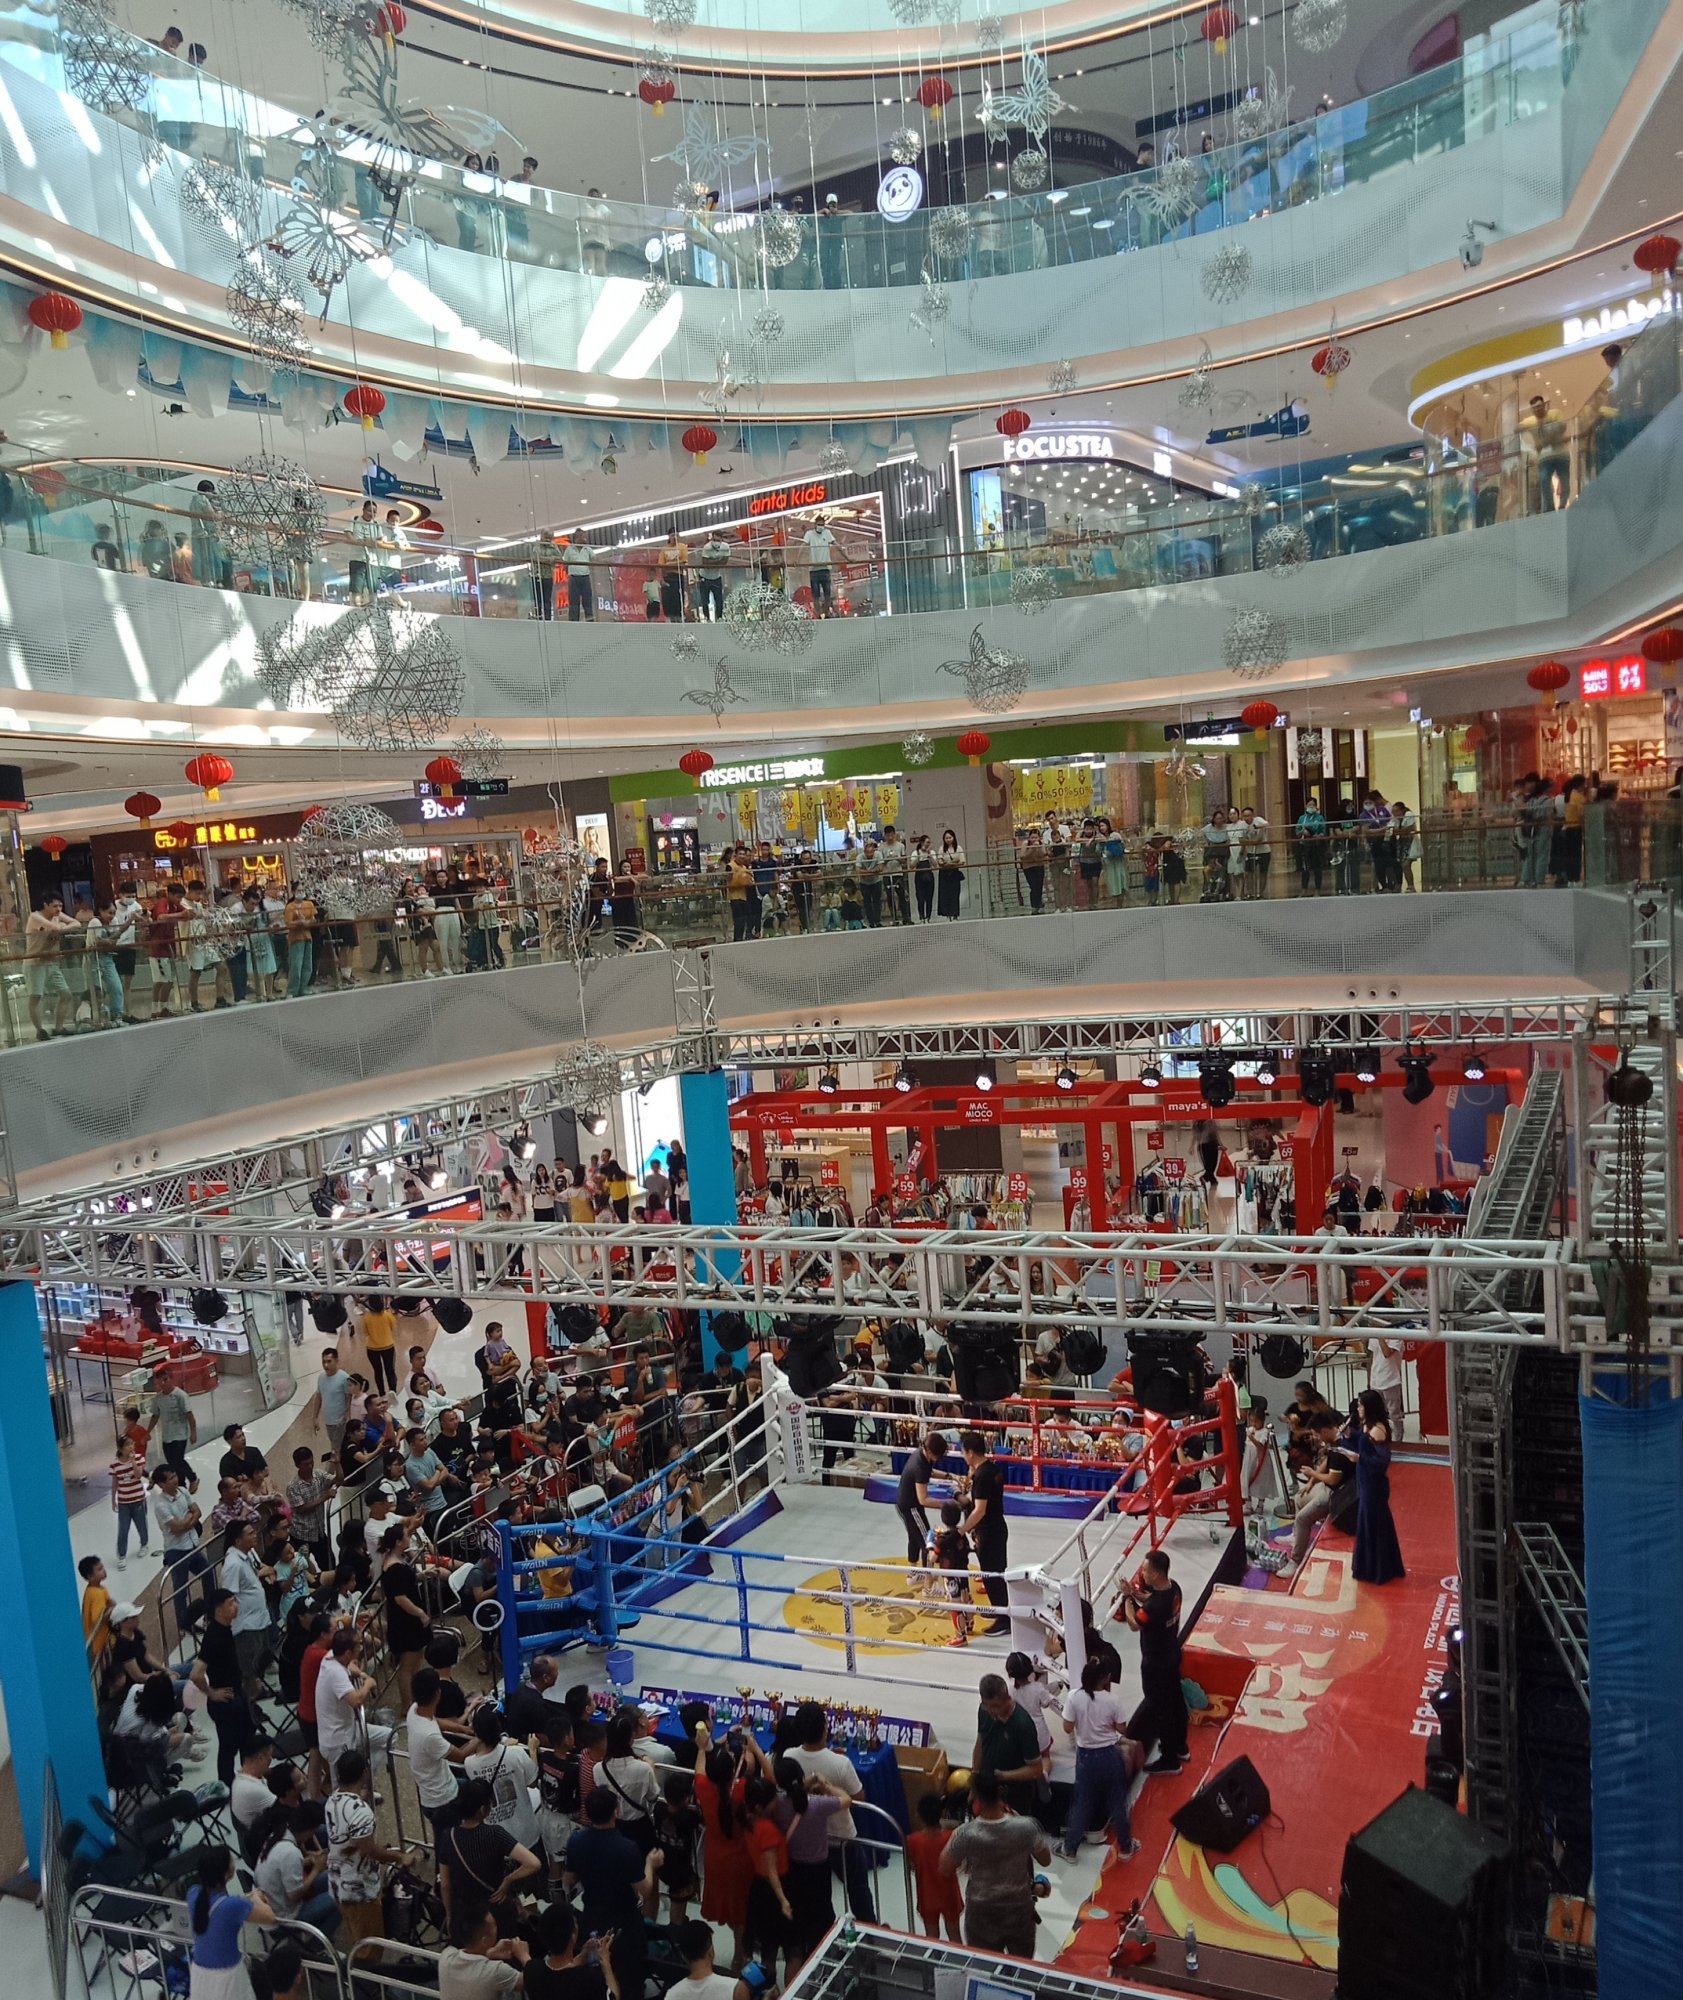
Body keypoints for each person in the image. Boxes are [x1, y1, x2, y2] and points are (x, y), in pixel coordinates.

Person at [940, 1767, 1051, 1959]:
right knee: (1021, 1965)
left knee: (986, 1966)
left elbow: (944, 1867)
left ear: (976, 1798)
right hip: (1019, 1910)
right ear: (1000, 1794)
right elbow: (1046, 1860)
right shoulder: (1026, 1826)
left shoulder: (966, 1833)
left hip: (981, 1913)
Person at [565, 1789, 661, 2000]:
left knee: (595, 1979)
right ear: (616, 1811)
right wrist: (650, 1864)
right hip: (625, 1924)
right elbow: (645, 1889)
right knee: (630, 1981)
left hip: (591, 1919)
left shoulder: (576, 1841)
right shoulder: (627, 1848)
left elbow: (569, 1879)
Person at [782, 1699, 872, 1922]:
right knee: (858, 1889)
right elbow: (858, 1797)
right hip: (841, 1837)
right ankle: (870, 1929)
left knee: (816, 1893)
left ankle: (820, 1931)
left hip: (807, 1839)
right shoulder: (840, 1763)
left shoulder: (789, 1756)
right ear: (825, 1729)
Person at [326, 1748, 415, 1946]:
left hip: (337, 1882)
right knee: (370, 1946)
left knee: (357, 1936)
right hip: (359, 1890)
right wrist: (400, 1857)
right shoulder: (361, 1813)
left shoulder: (332, 1800)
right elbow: (370, 1850)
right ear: (364, 1773)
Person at [1056, 1658, 1140, 1865]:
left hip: (1085, 1758)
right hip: (1109, 1756)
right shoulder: (1112, 1700)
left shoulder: (1074, 1697)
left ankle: (1070, 1848)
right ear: (1106, 1678)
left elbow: (1067, 1727)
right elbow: (1122, 1729)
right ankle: (1126, 1847)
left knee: (1082, 1804)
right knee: (1117, 1802)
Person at [1122, 1549, 1187, 1772]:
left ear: (1157, 1574)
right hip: (1171, 1653)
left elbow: (1134, 1623)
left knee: (1161, 1709)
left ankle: (1170, 1760)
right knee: (1176, 1701)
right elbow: (1151, 1599)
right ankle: (1180, 1746)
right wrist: (1135, 1593)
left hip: (1156, 1663)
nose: (1142, 1573)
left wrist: (1127, 1598)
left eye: (1145, 1571)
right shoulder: (1174, 1588)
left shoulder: (1154, 1607)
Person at [187, 1843, 275, 2000]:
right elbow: (270, 1917)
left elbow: (221, 1905)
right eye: (231, 1860)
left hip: (200, 1974)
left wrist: (246, 1899)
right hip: (227, 1978)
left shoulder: (193, 1894)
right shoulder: (233, 1906)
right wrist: (255, 1897)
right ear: (226, 1873)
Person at [252, 1799, 338, 1937]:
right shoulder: (290, 1853)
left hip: (272, 1905)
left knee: (335, 1877)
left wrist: (308, 1861)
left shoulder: (279, 1834)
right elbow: (294, 1896)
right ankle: (319, 1943)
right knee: (340, 1895)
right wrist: (316, 1870)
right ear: (309, 1829)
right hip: (283, 1919)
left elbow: (282, 1869)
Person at [957, 1429, 1009, 1629]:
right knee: (995, 1574)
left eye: (964, 1452)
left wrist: (961, 1531)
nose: (963, 1456)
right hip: (997, 1527)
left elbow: (979, 1510)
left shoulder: (982, 1476)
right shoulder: (992, 1469)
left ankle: (1003, 1619)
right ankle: (1000, 1609)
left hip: (989, 1531)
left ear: (970, 1453)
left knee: (991, 1575)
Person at [1353, 1388, 1406, 1584]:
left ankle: (1380, 1568)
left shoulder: (1378, 1430)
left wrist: (1359, 1458)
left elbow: (1382, 1461)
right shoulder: (1366, 1426)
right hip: (1365, 1480)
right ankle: (1368, 1567)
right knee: (1367, 1521)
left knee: (1374, 1523)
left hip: (1374, 1484)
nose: (1358, 1409)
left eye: (1360, 1405)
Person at [971, 1673, 1045, 1813]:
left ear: (1007, 1698)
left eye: (996, 1706)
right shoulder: (984, 1711)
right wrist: (974, 1776)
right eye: (987, 1705)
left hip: (1015, 1795)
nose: (991, 1711)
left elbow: (1036, 1770)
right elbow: (980, 1742)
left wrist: (1003, 1776)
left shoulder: (1023, 1724)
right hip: (988, 1791)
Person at [906, 1791, 963, 1942]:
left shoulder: (912, 1840)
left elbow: (910, 1865)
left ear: (919, 1814)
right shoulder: (951, 1836)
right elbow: (957, 1862)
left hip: (926, 1894)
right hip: (949, 1893)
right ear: (942, 1813)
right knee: (955, 1935)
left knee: (931, 1937)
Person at [894, 1428, 946, 1567]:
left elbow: (930, 1471)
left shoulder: (921, 1454)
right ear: (930, 1451)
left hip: (904, 1503)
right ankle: (928, 1578)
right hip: (911, 1506)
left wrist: (949, 1476)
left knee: (914, 1535)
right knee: (927, 1543)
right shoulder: (920, 1466)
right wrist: (945, 1504)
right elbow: (923, 1499)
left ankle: (913, 1572)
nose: (938, 1458)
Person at [109, 1430, 151, 1569]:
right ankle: (121, 1555)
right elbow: (115, 1482)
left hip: (138, 1499)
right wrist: (113, 1499)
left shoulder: (138, 1458)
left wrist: (133, 1461)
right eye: (127, 1445)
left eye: (132, 1444)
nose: (131, 1447)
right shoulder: (114, 1464)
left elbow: (138, 1475)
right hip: (123, 1502)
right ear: (120, 1448)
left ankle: (144, 1544)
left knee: (141, 1524)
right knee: (123, 1529)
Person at [935, 829, 965, 920]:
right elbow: (940, 861)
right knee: (945, 894)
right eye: (946, 838)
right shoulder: (941, 848)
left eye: (950, 837)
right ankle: (948, 915)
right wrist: (946, 863)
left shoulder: (958, 848)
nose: (948, 839)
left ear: (953, 838)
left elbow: (962, 861)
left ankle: (955, 914)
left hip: (954, 873)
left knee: (955, 894)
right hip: (944, 873)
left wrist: (952, 864)